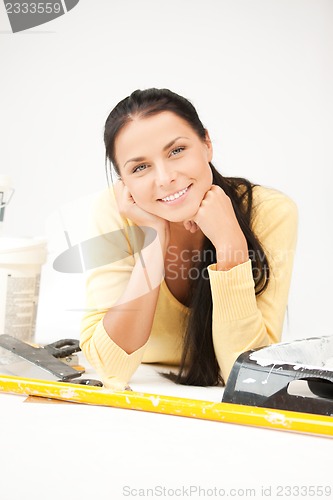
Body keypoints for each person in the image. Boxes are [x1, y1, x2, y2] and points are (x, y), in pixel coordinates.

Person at [80, 88, 298, 390]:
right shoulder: (115, 213)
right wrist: (154, 241)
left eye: (176, 151)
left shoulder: (270, 212)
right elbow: (110, 367)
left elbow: (251, 377)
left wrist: (230, 245)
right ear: (124, 182)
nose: (165, 177)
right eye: (140, 167)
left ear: (206, 144)